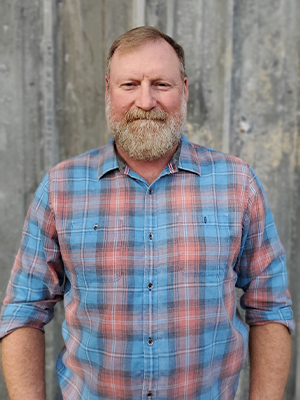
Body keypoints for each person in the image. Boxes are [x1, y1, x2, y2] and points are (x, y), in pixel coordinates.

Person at [0, 26, 294, 400]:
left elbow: (269, 307)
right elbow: (24, 310)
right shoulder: (60, 188)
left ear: (184, 90)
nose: (145, 100)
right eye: (130, 85)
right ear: (108, 90)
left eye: (161, 84)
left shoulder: (238, 183)